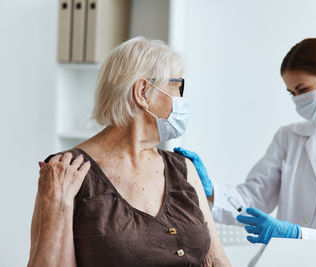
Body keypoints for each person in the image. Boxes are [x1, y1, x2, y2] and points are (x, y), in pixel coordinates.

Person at [28, 37, 231, 267]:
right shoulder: (67, 171)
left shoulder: (183, 168)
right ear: (143, 92)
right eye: (177, 86)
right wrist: (57, 205)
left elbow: (215, 261)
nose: (181, 99)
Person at [175, 38, 316, 245]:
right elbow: (252, 200)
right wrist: (210, 190)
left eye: (303, 90)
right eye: (292, 93)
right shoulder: (289, 138)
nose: (298, 100)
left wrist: (297, 235)